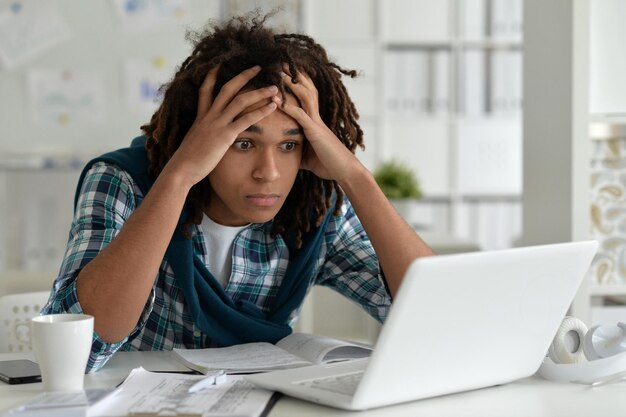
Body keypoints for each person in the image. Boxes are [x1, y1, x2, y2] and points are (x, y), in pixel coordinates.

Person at [43, 14, 434, 372]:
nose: (269, 173)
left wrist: (355, 176)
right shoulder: (122, 180)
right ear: (202, 135)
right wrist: (180, 175)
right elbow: (83, 349)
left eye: (289, 145)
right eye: (244, 144)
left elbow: (432, 313)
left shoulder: (315, 205)